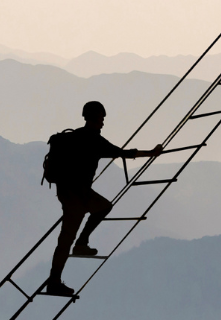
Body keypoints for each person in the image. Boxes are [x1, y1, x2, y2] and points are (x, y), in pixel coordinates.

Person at [43, 101, 163, 297]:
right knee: (73, 233)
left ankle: (77, 249)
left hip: (65, 191)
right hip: (78, 194)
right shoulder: (94, 141)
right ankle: (58, 277)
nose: (102, 123)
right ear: (95, 118)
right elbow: (123, 153)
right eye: (101, 119)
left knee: (96, 213)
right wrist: (152, 153)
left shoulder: (73, 137)